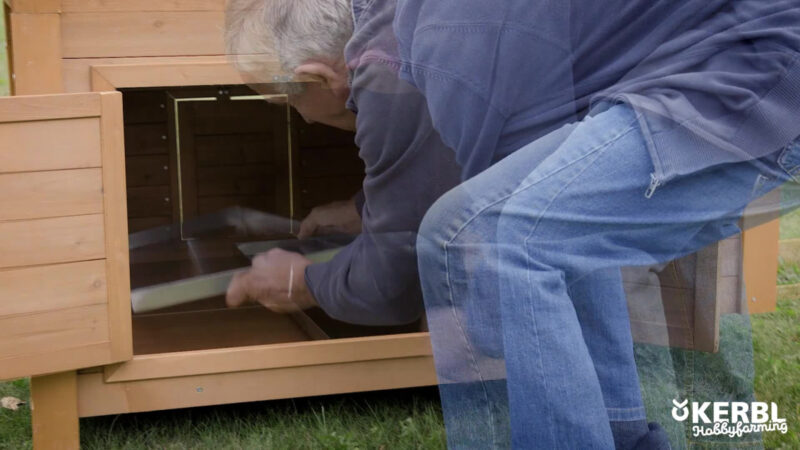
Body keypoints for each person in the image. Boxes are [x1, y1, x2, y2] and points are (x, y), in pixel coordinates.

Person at [392, 0, 800, 448]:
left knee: (513, 242)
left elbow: (483, 190)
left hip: (756, 67)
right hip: (692, 66)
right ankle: (621, 435)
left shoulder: (440, 28)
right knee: (480, 228)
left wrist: (479, 330)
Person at [223, 0, 461, 325]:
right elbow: (440, 167)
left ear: (318, 76)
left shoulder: (386, 75)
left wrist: (302, 283)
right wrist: (365, 210)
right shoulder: (402, 18)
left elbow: (391, 289)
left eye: (290, 100)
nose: (304, 118)